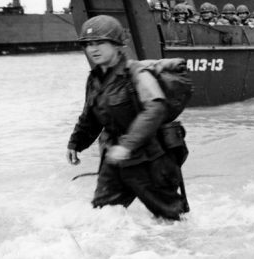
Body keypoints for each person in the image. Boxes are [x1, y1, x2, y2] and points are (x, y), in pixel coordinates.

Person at [66, 15, 186, 220]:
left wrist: (128, 146)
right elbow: (90, 116)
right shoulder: (95, 79)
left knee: (171, 220)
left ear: (116, 45)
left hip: (151, 161)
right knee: (103, 217)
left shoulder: (137, 73)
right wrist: (75, 143)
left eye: (100, 43)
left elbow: (155, 108)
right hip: (114, 161)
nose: (93, 49)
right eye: (88, 44)